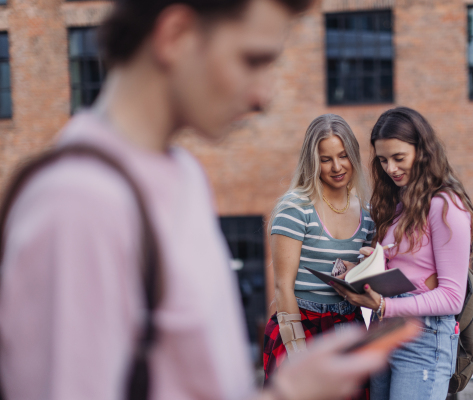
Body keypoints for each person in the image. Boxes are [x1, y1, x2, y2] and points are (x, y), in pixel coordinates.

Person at [0, 1, 390, 399]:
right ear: (176, 36)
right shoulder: (78, 204)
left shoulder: (182, 172)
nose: (264, 95)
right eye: (251, 60)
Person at [332, 107, 473, 400]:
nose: (390, 168)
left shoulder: (445, 205)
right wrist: (365, 268)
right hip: (384, 332)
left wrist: (384, 306)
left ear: (423, 151)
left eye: (398, 158)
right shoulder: (399, 203)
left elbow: (452, 298)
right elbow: (410, 274)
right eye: (382, 160)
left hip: (423, 337)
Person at [263, 114, 375, 394]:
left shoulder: (368, 213)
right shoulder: (295, 208)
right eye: (326, 159)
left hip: (349, 324)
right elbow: (282, 288)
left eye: (343, 155)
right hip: (301, 322)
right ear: (313, 162)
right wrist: (297, 351)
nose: (337, 167)